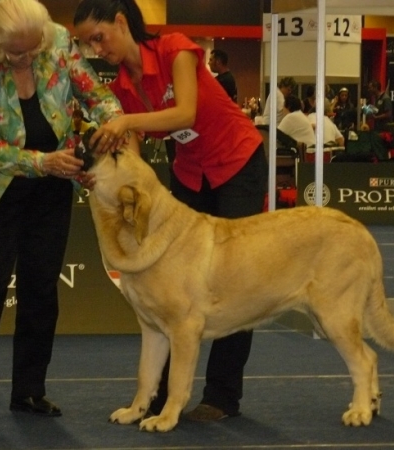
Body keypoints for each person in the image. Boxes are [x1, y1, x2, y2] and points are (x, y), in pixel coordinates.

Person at [73, 0, 267, 422]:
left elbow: (186, 113)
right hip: (190, 172)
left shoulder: (175, 48)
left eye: (98, 36)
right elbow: (134, 157)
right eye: (88, 43)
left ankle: (221, 396)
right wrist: (111, 173)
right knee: (169, 290)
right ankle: (158, 397)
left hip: (237, 162)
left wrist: (125, 124)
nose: (96, 48)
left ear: (121, 22)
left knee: (235, 279)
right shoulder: (124, 84)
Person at [0, 0, 128, 425]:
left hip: (49, 189)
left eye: (29, 51)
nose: (22, 59)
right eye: (13, 52)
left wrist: (112, 121)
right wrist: (42, 161)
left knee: (42, 291)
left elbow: (94, 92)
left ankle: (29, 392)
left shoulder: (60, 42)